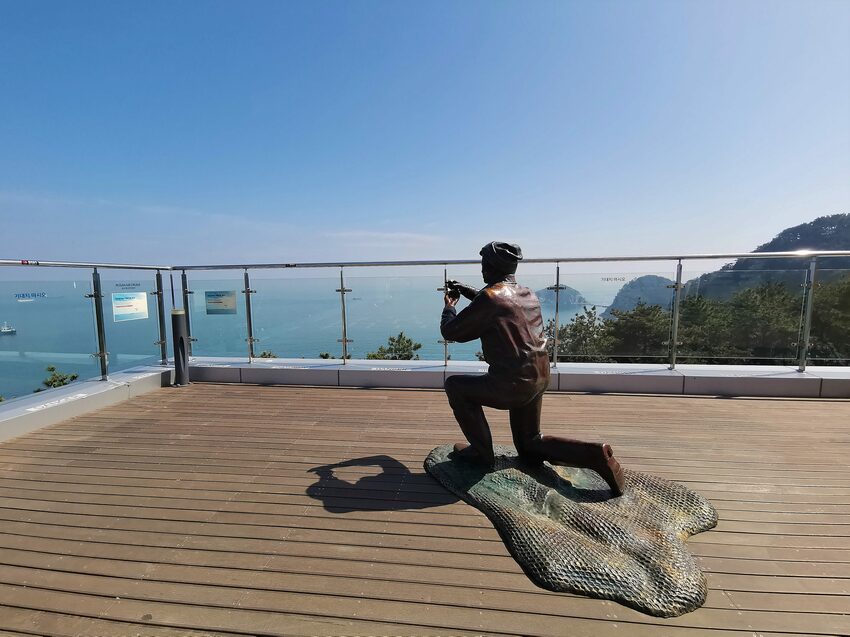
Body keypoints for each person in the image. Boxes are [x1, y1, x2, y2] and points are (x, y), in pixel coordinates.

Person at [440, 241, 626, 496]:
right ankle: (596, 454)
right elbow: (498, 303)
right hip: (539, 376)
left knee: (455, 386)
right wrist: (469, 290)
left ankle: (482, 454)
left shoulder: (491, 298)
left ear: (491, 265)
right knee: (529, 445)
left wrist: (450, 306)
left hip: (511, 384)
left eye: (484, 262)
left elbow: (452, 331)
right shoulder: (527, 293)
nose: (482, 267)